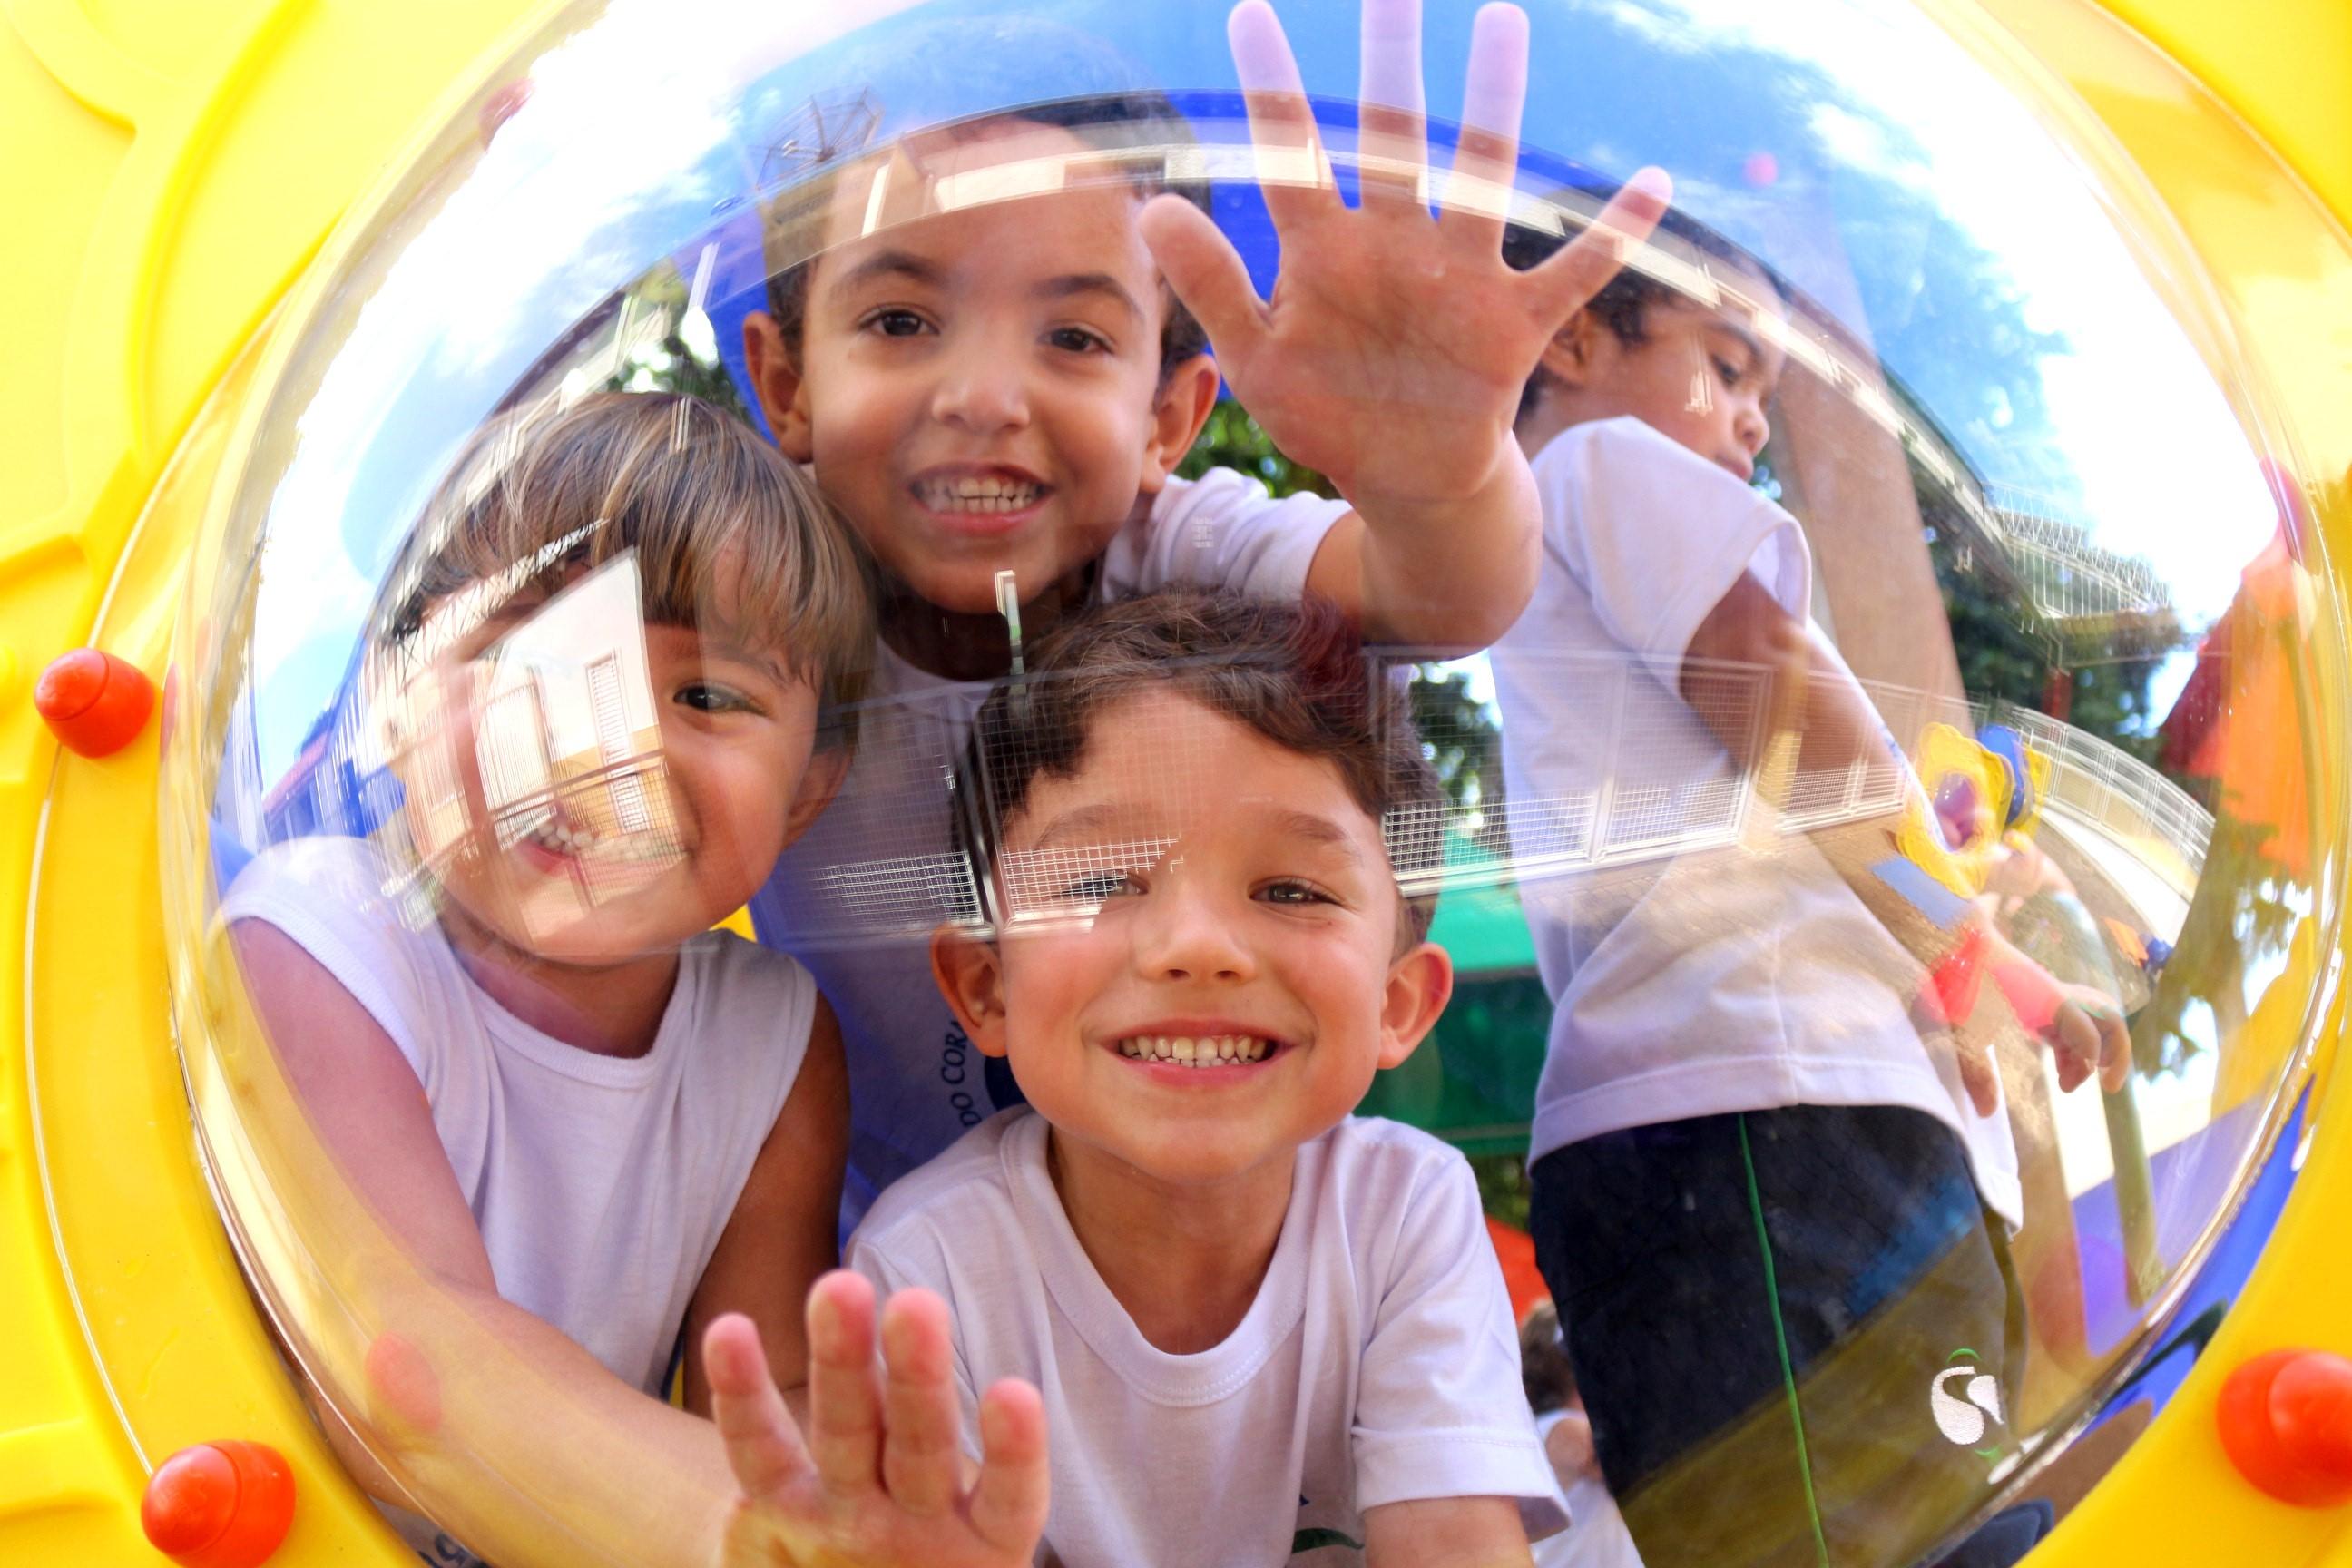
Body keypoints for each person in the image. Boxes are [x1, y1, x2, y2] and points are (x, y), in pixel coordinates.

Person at [739, 0, 1673, 1225]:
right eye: (902, 321)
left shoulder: (1178, 549)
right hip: (883, 1247)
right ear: (786, 384)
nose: (981, 395)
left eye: (1072, 335)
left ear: (1170, 420)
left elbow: (1439, 596)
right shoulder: (749, 592)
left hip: (1205, 1225)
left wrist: (1440, 476)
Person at [1487, 206, 2130, 1568]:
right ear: (1576, 335)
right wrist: (1968, 959)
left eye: (1765, 388)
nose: (1752, 420)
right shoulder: (1603, 463)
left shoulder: (1539, 594)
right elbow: (1786, 699)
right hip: (1775, 1123)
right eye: (1724, 365)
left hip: (1734, 1132)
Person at [221, 390, 871, 1567]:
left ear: (809, 790)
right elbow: (406, 1373)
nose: (602, 740)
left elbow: (763, 1394)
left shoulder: (773, 1042)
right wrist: (786, 1544)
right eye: (531, 657)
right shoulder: (320, 936)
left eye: (708, 696)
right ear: (394, 693)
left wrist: (858, 1507)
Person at [824, 593, 1563, 1567]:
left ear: (1399, 1006)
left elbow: (1455, 1547)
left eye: (1292, 890)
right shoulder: (928, 1271)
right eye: (1099, 884)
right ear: (984, 986)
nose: (1197, 947)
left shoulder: (1406, 1212)